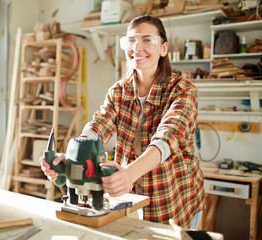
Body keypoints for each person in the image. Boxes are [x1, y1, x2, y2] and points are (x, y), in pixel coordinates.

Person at [40, 15, 205, 229]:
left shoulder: (183, 90)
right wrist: (73, 156)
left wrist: (129, 174)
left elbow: (166, 139)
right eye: (131, 40)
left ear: (163, 48)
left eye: (147, 40)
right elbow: (98, 126)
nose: (137, 47)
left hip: (174, 198)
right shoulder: (119, 91)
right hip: (130, 197)